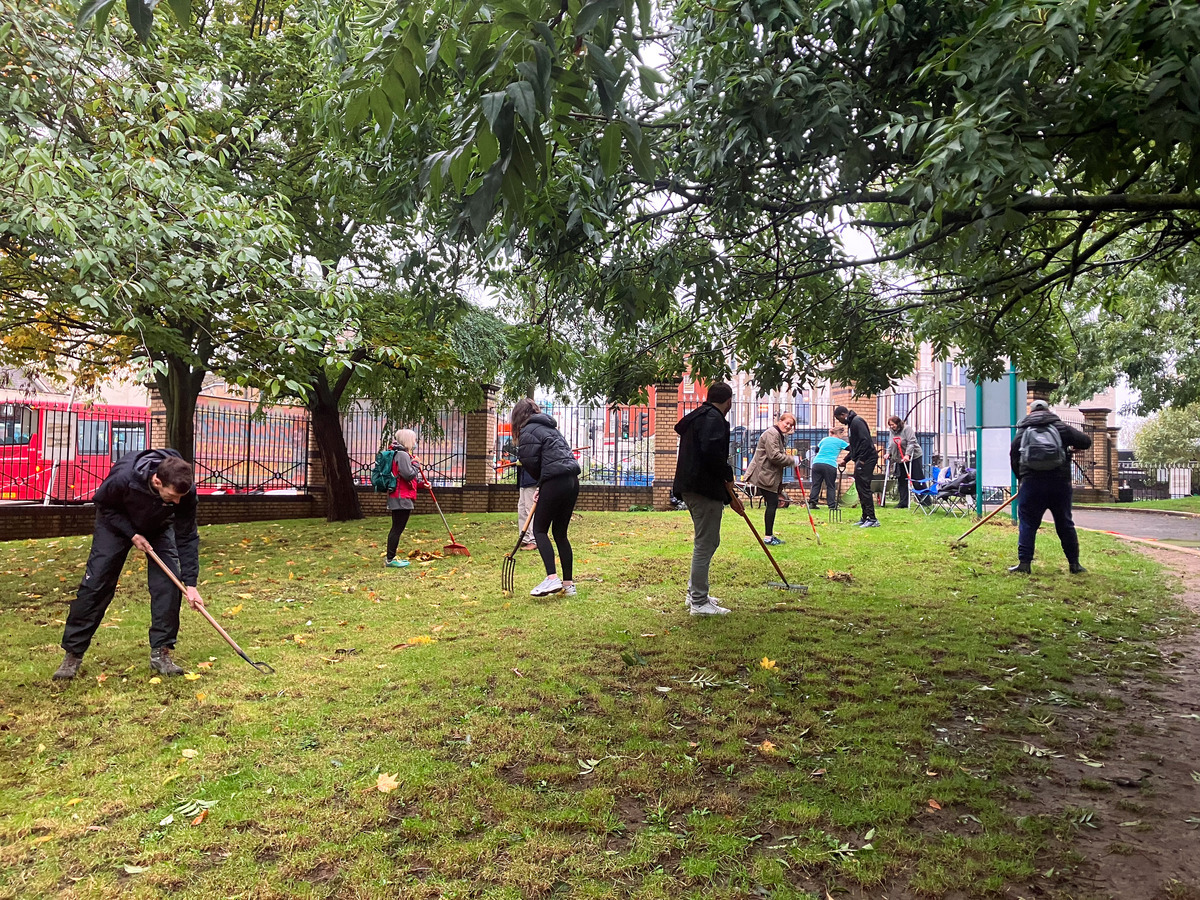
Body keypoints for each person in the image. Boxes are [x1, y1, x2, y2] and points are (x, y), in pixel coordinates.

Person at [53, 449, 202, 680]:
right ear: (157, 480)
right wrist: (132, 534)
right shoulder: (123, 478)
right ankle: (73, 654)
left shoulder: (184, 490)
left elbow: (187, 535)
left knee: (169, 584)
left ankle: (161, 652)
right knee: (96, 585)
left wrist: (191, 583)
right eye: (172, 496)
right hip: (115, 524)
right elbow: (103, 506)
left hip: (159, 526)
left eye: (181, 497)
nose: (178, 501)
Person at [673, 382, 744, 615]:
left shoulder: (698, 416)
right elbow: (712, 454)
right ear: (729, 400)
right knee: (706, 542)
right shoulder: (714, 419)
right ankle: (699, 602)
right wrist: (727, 475)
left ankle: (695, 591)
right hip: (702, 488)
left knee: (706, 541)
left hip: (691, 486)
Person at [1007, 399, 1092, 574]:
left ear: (1030, 412)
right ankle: (1074, 564)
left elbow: (1014, 456)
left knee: (1028, 524)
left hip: (1031, 484)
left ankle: (1024, 564)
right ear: (1048, 410)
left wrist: (1022, 478)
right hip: (1059, 483)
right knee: (1065, 523)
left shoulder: (1023, 430)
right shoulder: (1060, 427)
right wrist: (1069, 449)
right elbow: (1086, 441)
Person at [513, 399, 581, 597]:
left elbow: (529, 461)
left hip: (554, 481)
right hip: (571, 481)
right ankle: (568, 585)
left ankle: (552, 579)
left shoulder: (527, 431)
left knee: (539, 529)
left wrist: (542, 483)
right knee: (560, 533)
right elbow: (555, 458)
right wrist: (542, 485)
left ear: (518, 416)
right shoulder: (552, 429)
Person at [743, 413, 799, 545]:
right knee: (772, 503)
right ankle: (768, 537)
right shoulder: (772, 434)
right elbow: (774, 456)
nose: (788, 426)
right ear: (780, 421)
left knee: (772, 503)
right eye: (787, 423)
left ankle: (770, 535)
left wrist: (787, 435)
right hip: (764, 473)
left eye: (791, 425)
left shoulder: (778, 435)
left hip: (769, 473)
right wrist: (792, 460)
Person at [834, 405, 880, 527]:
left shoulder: (857, 422)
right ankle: (865, 517)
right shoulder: (852, 423)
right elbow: (855, 446)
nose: (840, 422)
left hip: (867, 458)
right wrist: (846, 460)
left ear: (843, 414)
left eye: (839, 419)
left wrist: (863, 460)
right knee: (860, 487)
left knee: (864, 487)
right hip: (861, 458)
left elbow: (865, 441)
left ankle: (872, 519)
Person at [384, 429, 425, 569]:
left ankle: (391, 557)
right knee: (397, 528)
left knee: (397, 527)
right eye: (413, 439)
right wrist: (416, 463)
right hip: (401, 497)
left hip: (400, 495)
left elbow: (405, 479)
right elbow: (408, 475)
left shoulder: (400, 454)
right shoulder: (402, 454)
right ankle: (390, 559)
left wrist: (421, 485)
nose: (415, 442)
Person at [886, 415, 926, 508]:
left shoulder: (907, 429)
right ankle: (903, 502)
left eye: (893, 425)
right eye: (890, 425)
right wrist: (888, 453)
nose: (891, 427)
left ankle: (925, 501)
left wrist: (908, 455)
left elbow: (911, 442)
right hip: (900, 457)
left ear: (898, 423)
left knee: (917, 478)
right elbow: (890, 443)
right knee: (902, 479)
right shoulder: (892, 432)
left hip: (913, 456)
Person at [809, 425, 849, 509]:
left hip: (817, 463)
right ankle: (831, 505)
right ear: (840, 433)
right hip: (830, 465)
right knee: (830, 485)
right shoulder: (840, 442)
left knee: (816, 484)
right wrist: (845, 460)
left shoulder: (824, 439)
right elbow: (852, 449)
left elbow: (816, 450)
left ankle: (812, 503)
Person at [516, 453, 538, 552]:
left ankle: (534, 540)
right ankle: (524, 537)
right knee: (522, 509)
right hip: (524, 480)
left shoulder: (532, 440)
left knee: (530, 510)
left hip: (532, 480)